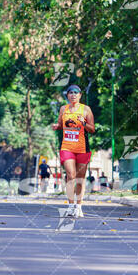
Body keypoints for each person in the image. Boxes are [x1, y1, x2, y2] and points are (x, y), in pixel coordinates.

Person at [52, 84, 95, 217]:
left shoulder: (86, 110)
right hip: (67, 147)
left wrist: (84, 124)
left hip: (82, 148)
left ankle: (79, 206)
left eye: (76, 93)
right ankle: (71, 206)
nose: (73, 95)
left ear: (80, 95)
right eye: (70, 92)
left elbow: (92, 129)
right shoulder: (63, 109)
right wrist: (57, 126)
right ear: (67, 95)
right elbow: (60, 124)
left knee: (80, 178)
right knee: (71, 175)